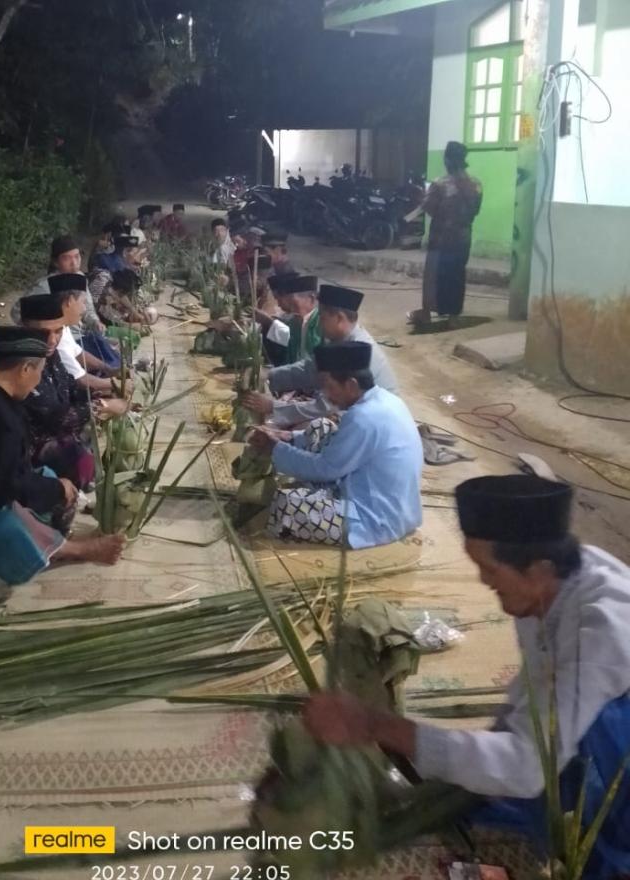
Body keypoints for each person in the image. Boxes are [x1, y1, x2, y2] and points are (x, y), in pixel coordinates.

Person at [304, 475, 630, 876]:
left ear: (538, 568)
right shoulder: (551, 583)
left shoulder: (601, 631)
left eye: (488, 568)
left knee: (591, 813)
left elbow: (530, 766)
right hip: (578, 715)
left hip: (617, 734)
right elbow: (535, 688)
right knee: (493, 775)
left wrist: (375, 725)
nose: (482, 580)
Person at [0, 326, 125, 585]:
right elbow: (5, 489)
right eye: (39, 371)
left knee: (48, 478)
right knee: (12, 523)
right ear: (24, 370)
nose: (38, 379)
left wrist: (52, 485)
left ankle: (54, 541)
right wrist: (55, 489)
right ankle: (75, 550)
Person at [248, 341, 422, 549]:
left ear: (351, 385)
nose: (327, 396)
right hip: (396, 506)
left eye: (330, 387)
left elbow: (325, 469)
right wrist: (286, 437)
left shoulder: (364, 417)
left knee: (285, 504)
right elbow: (336, 445)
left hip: (376, 518)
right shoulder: (384, 399)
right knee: (320, 427)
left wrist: (273, 448)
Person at [243, 284, 398, 428]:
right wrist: (268, 375)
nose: (318, 324)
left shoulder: (357, 350)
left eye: (322, 318)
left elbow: (328, 405)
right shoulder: (339, 340)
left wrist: (273, 407)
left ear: (339, 318)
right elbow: (309, 370)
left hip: (373, 424)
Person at [18, 294, 100, 490]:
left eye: (58, 331)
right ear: (24, 327)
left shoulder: (51, 356)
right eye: (44, 332)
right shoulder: (20, 366)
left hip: (59, 431)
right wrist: (101, 407)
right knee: (83, 463)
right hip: (33, 446)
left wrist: (100, 396)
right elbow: (56, 417)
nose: (52, 340)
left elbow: (71, 386)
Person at [408, 141, 482, 328]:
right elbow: (475, 210)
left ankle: (426, 314)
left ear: (448, 160)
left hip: (441, 239)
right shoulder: (476, 184)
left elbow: (430, 209)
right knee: (457, 276)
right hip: (463, 238)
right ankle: (453, 316)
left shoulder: (440, 184)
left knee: (434, 277)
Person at [48, 273, 131, 396]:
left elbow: (78, 352)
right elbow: (80, 379)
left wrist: (108, 369)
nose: (84, 309)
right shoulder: (54, 334)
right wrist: (115, 383)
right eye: (83, 303)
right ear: (70, 301)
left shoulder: (63, 327)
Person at [256, 274, 318, 367]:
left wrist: (269, 322)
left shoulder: (321, 323)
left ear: (311, 299)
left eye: (294, 304)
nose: (292, 310)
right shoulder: (294, 322)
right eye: (290, 305)